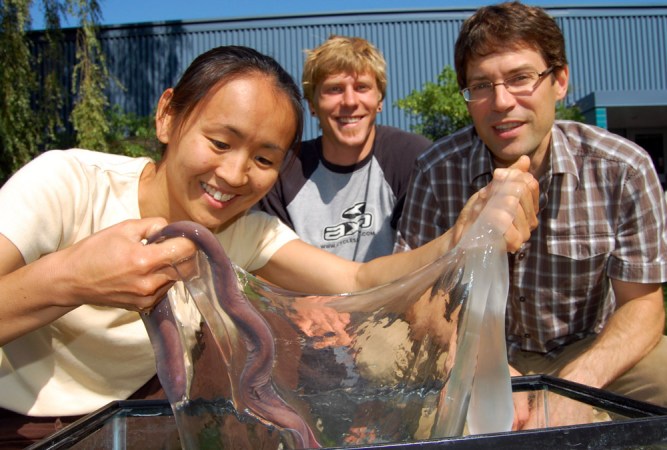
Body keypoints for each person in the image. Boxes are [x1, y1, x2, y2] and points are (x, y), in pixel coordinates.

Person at [0, 45, 537, 447]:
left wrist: (464, 233)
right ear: (168, 116)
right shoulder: (67, 184)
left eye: (263, 158)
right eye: (219, 142)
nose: (233, 175)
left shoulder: (243, 232)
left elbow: (357, 281)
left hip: (139, 419)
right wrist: (71, 279)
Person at [395, 0, 667, 427]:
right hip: (479, 348)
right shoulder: (435, 172)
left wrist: (580, 383)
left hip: (589, 346)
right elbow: (418, 301)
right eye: (481, 85)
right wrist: (483, 366)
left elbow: (643, 306)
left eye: (521, 78)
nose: (501, 102)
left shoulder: (624, 169)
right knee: (412, 409)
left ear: (559, 80)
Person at [258, 35, 432, 262]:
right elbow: (272, 271)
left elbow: (424, 263)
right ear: (312, 105)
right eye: (334, 89)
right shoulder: (284, 171)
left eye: (362, 87)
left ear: (379, 99)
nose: (350, 101)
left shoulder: (412, 157)